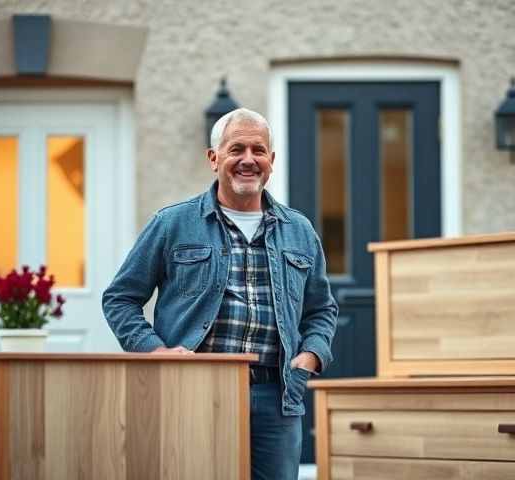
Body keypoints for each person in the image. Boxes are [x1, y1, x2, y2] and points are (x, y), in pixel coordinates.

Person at [102, 107, 338, 480]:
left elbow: (322, 309)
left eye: (258, 150)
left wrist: (309, 356)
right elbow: (120, 298)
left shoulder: (300, 230)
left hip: (276, 394)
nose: (248, 160)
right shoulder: (172, 224)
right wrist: (156, 352)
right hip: (193, 392)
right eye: (236, 149)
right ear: (214, 159)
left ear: (271, 161)